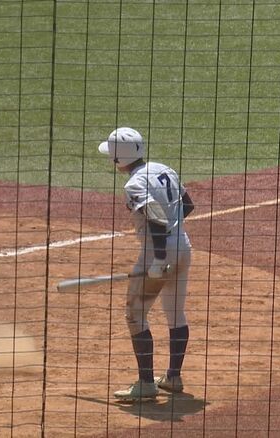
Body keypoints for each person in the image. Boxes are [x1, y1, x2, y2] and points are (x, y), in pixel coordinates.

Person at [97, 127, 195, 402]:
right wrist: (174, 235)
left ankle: (146, 383)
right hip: (184, 248)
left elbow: (155, 217)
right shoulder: (165, 169)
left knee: (135, 315)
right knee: (176, 314)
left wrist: (160, 258)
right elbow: (188, 205)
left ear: (118, 159)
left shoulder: (134, 184)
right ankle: (173, 377)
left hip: (157, 253)